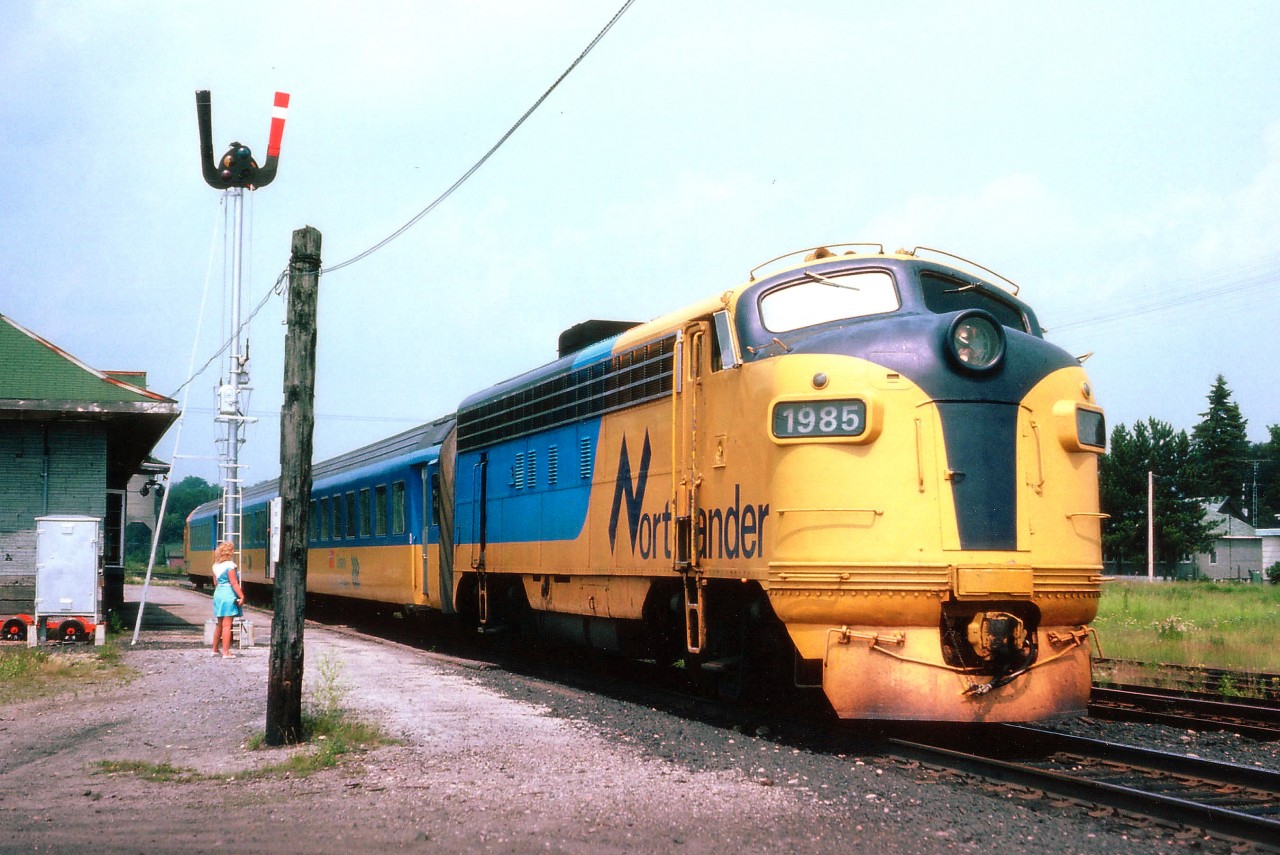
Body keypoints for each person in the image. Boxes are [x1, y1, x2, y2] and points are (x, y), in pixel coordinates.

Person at [210, 541, 245, 659]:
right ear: (230, 553)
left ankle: (214, 650)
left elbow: (215, 583)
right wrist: (241, 596)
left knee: (219, 624)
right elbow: (234, 583)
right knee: (227, 625)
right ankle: (226, 652)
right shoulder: (230, 566)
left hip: (218, 593)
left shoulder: (215, 566)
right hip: (228, 594)